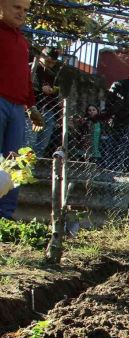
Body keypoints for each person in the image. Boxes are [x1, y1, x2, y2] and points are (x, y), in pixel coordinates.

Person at [0, 0, 44, 220]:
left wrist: (31, 106)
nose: (22, 13)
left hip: (17, 108)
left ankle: (6, 214)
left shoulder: (22, 42)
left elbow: (25, 79)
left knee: (15, 162)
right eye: (16, 7)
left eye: (26, 10)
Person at [30, 46, 61, 157]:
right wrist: (40, 87)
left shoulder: (54, 73)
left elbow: (58, 89)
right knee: (30, 140)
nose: (50, 64)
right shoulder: (33, 68)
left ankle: (35, 164)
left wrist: (54, 90)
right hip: (33, 107)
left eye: (53, 62)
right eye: (47, 61)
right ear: (41, 57)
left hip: (49, 109)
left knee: (43, 142)